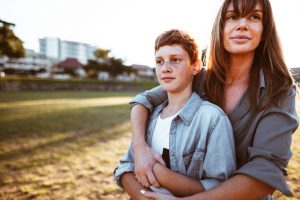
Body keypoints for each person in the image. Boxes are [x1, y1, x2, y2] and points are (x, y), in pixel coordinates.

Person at [130, 0, 299, 200]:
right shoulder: (198, 78)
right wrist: (140, 148)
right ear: (220, 28)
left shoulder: (279, 91)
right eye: (232, 17)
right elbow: (143, 101)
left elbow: (265, 172)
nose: (242, 24)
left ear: (265, 31)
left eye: (254, 17)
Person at [114, 29, 236, 199]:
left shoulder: (212, 119)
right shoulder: (150, 117)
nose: (165, 68)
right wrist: (141, 196)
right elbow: (125, 168)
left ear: (195, 66)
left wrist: (157, 170)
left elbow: (220, 188)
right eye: (159, 61)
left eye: (175, 60)